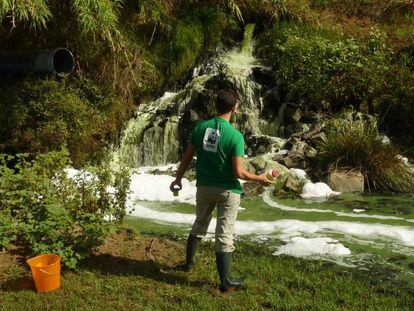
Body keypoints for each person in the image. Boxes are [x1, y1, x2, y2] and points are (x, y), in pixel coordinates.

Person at [169, 89, 272, 293]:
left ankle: (189, 263)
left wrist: (178, 179)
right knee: (224, 234)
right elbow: (239, 172)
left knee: (199, 223)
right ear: (234, 108)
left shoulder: (200, 128)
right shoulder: (235, 136)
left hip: (204, 187)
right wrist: (260, 178)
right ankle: (225, 282)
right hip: (227, 191)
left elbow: (187, 157)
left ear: (215, 106)